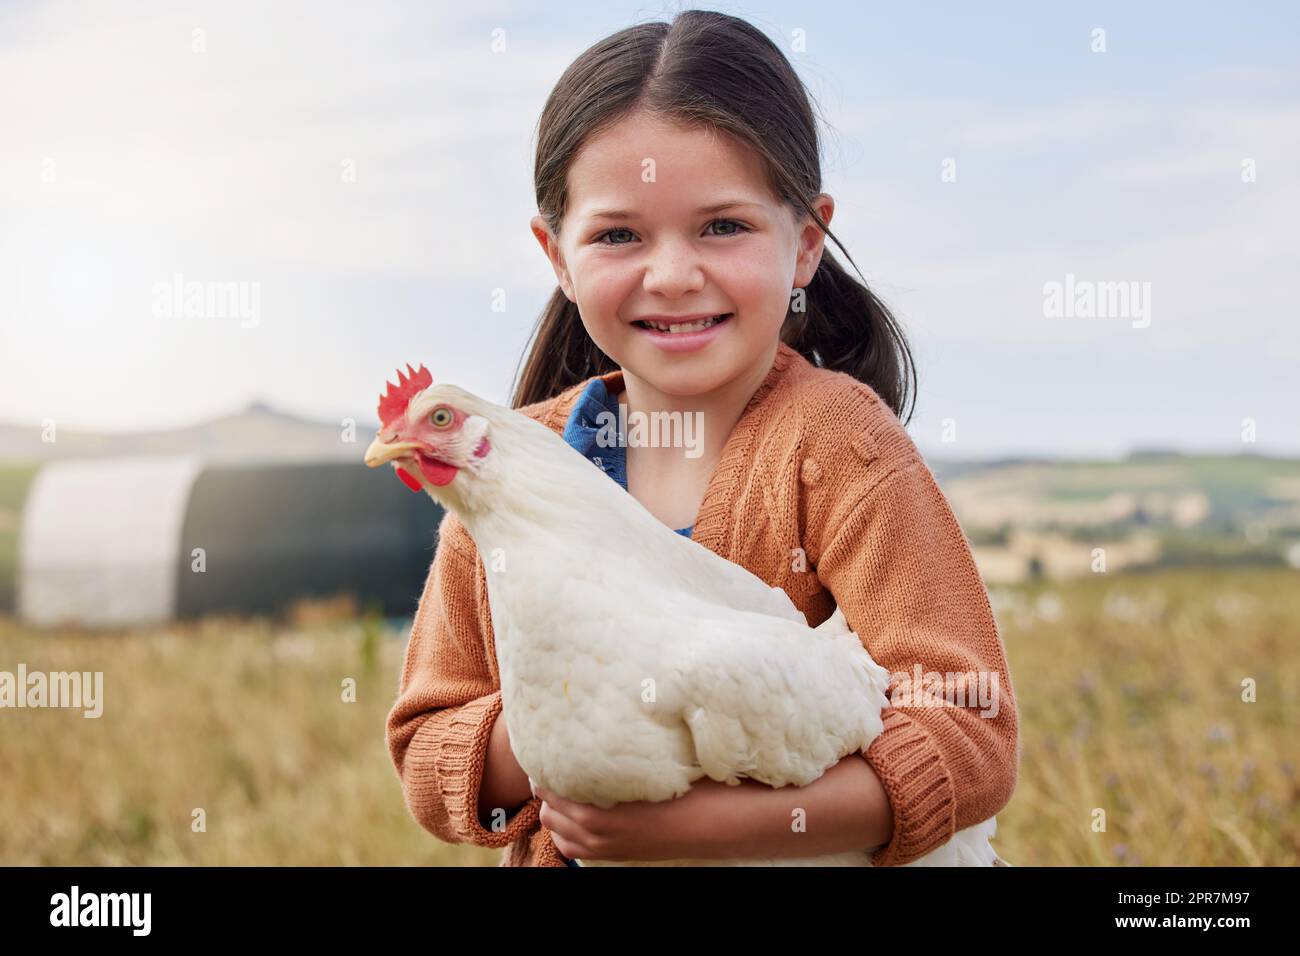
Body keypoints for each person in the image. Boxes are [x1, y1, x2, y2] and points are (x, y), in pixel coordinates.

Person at [386, 9, 1018, 867]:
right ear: (557, 256)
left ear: (806, 242)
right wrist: (570, 724)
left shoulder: (838, 448)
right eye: (618, 235)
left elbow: (968, 722)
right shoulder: (498, 477)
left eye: (722, 226)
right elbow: (429, 743)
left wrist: (708, 825)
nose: (674, 275)